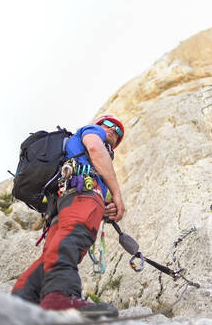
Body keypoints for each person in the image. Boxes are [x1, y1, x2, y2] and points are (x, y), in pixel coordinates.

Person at [12, 115, 126, 315]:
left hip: (65, 201)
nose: (112, 130)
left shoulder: (88, 160)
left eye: (118, 133)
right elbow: (94, 147)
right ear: (97, 125)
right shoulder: (92, 133)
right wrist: (116, 193)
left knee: (56, 249)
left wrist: (105, 207)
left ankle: (23, 298)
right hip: (81, 196)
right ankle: (60, 296)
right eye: (107, 124)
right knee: (74, 237)